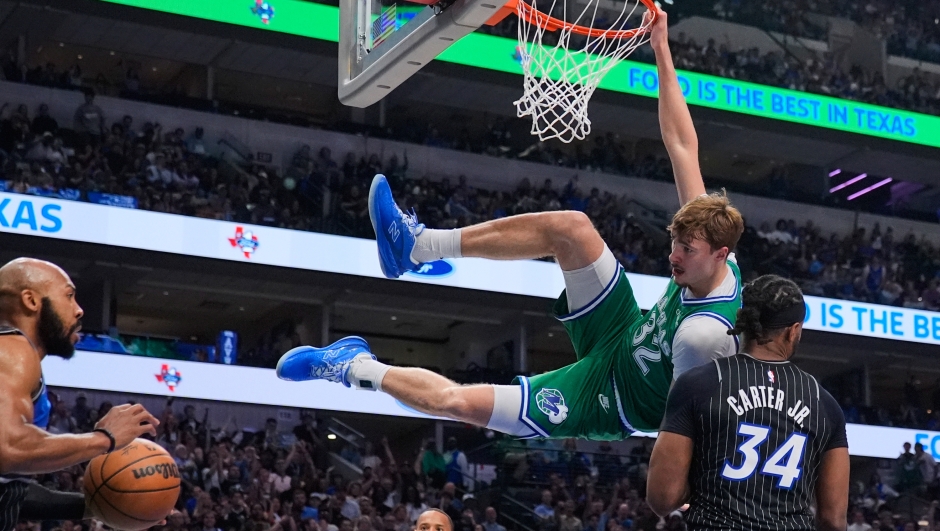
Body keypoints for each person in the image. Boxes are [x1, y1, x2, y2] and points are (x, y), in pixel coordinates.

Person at [276, 5, 744, 441]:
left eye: (687, 251)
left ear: (720, 255)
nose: (673, 256)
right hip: (623, 329)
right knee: (572, 227)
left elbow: (693, 432)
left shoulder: (706, 337)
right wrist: (661, 47)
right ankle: (417, 246)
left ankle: (351, 367)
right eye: (675, 242)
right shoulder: (706, 230)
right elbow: (682, 143)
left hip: (609, 400)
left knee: (456, 401)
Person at [646, 275, 850, 531]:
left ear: (742, 319)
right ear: (793, 330)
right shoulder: (825, 404)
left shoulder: (698, 384)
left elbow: (663, 498)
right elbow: (832, 519)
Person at [0, 257, 160, 530]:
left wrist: (112, 504)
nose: (79, 310)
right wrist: (104, 438)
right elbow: (7, 447)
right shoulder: (13, 349)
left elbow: (10, 492)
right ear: (31, 300)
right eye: (69, 296)